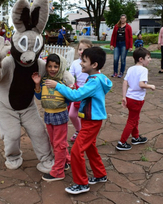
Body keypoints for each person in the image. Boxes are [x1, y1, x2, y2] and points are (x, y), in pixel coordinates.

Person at [45, 47, 113, 195]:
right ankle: (100, 174)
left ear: (94, 65)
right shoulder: (97, 79)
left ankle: (81, 183)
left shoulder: (94, 82)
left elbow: (76, 96)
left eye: (84, 61)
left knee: (76, 151)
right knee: (90, 148)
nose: (80, 63)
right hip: (91, 120)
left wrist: (58, 86)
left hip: (92, 122)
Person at [32, 53, 71, 182]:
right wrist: (37, 85)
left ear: (60, 67)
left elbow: (70, 98)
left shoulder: (62, 82)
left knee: (59, 144)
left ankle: (58, 171)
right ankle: (65, 160)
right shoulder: (44, 81)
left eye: (56, 66)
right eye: (50, 66)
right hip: (48, 115)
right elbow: (39, 97)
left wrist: (63, 92)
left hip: (60, 115)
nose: (52, 69)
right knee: (55, 142)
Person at [116, 47, 155, 151]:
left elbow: (125, 82)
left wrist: (124, 97)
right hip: (137, 100)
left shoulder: (131, 69)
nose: (150, 59)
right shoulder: (143, 70)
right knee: (132, 121)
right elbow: (141, 84)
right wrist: (150, 86)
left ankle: (136, 137)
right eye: (148, 57)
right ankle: (122, 142)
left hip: (129, 98)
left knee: (135, 119)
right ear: (141, 59)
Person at [68, 39, 93, 142]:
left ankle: (86, 133)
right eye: (80, 49)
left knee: (86, 115)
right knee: (72, 114)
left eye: (85, 49)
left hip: (88, 92)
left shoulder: (92, 63)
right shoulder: (75, 63)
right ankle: (79, 130)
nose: (81, 51)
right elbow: (70, 75)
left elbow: (96, 76)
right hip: (77, 91)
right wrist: (71, 84)